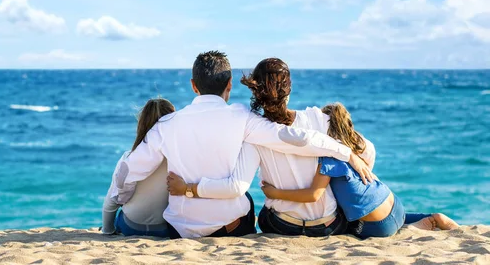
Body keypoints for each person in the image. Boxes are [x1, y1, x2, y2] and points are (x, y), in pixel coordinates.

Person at [112, 51, 373, 239]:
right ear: (229, 86)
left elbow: (129, 170)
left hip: (182, 230)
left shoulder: (167, 124)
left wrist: (116, 201)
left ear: (193, 86)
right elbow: (295, 139)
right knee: (244, 199)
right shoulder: (241, 118)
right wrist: (346, 153)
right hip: (231, 228)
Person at [259, 102, 459, 239]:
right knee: (391, 216)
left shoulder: (331, 156)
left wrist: (274, 193)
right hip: (394, 203)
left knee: (347, 226)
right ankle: (430, 217)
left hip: (379, 225)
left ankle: (412, 229)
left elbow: (314, 194)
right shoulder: (360, 147)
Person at [101, 98, 175, 237]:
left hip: (131, 227)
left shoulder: (130, 159)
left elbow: (110, 203)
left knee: (122, 216)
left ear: (143, 123)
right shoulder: (179, 161)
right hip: (165, 228)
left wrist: (108, 230)